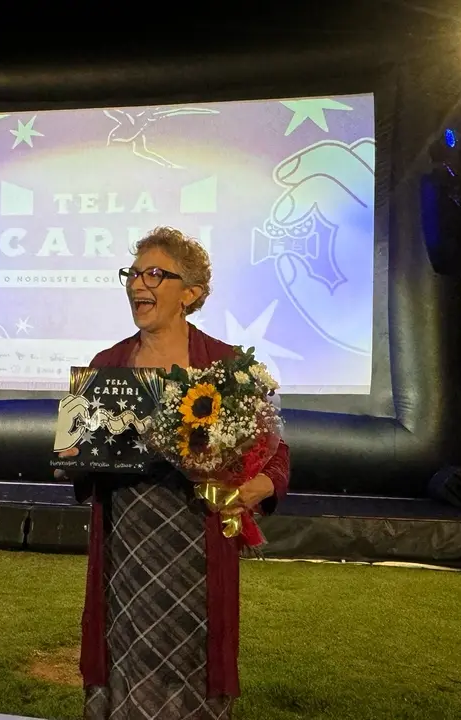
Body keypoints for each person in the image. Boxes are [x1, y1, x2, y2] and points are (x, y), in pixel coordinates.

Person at [61, 227, 291, 720]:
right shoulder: (107, 365)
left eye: (153, 274)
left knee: (196, 649)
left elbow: (276, 451)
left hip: (198, 541)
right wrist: (73, 455)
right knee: (122, 641)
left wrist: (262, 484)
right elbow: (81, 460)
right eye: (132, 274)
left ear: (190, 293)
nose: (137, 284)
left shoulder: (226, 366)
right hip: (127, 546)